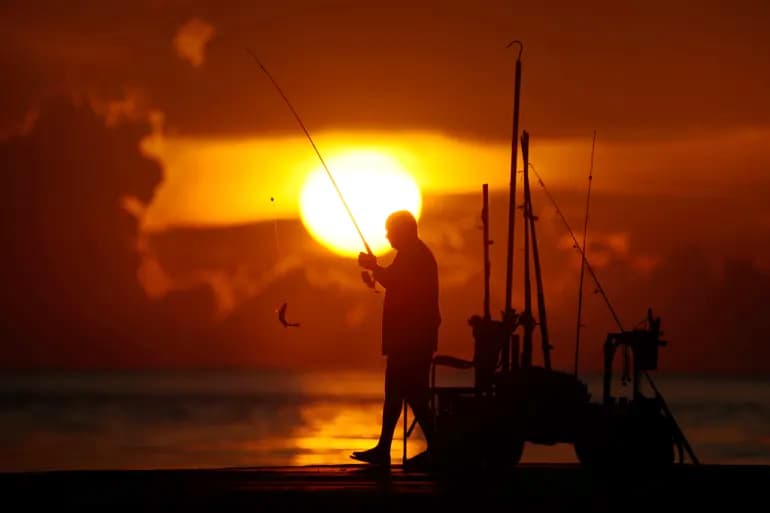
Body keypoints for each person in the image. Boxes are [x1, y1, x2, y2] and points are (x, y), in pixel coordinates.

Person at [351, 210, 441, 467]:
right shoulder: (411, 255)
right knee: (398, 394)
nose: (387, 235)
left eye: (391, 230)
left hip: (412, 341)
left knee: (411, 394)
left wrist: (374, 267)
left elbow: (395, 281)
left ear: (404, 231)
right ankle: (386, 448)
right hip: (407, 340)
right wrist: (376, 268)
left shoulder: (416, 256)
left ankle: (435, 449)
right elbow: (394, 279)